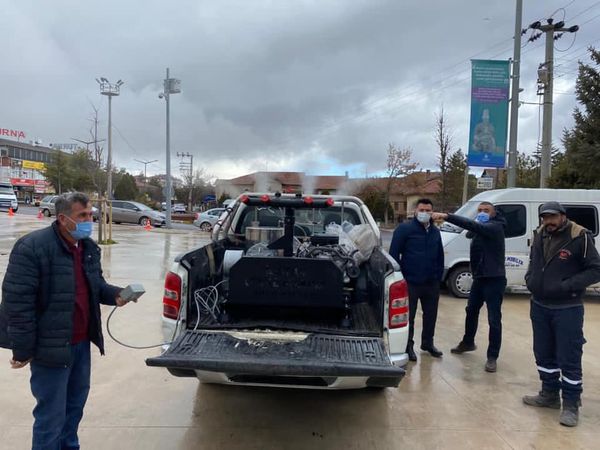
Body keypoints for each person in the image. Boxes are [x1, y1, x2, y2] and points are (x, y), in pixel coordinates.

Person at [0, 192, 132, 450]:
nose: (88, 220)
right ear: (62, 218)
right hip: (50, 349)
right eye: (82, 215)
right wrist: (22, 349)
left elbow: (96, 285)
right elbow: (18, 304)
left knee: (74, 410)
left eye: (90, 215)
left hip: (81, 344)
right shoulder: (32, 248)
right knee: (51, 417)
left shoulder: (87, 248)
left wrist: (116, 295)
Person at [522, 201, 600, 427]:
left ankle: (571, 405)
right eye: (545, 217)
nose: (549, 221)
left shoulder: (579, 237)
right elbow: (534, 261)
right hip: (539, 304)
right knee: (543, 352)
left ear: (563, 216)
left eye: (553, 217)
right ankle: (549, 394)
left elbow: (596, 269)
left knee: (569, 356)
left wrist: (567, 285)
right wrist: (530, 279)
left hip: (567, 307)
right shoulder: (540, 234)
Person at [432, 202, 506, 373]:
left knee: (494, 319)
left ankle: (492, 357)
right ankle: (468, 342)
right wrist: (477, 225)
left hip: (494, 279)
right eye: (479, 210)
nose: (482, 213)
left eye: (486, 210)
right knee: (471, 311)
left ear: (494, 213)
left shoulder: (496, 227)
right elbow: (470, 233)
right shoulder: (481, 228)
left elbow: (471, 226)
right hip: (479, 277)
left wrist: (447, 216)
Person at [389, 198, 444, 361]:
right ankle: (408, 346)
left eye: (428, 211)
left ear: (432, 212)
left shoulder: (435, 232)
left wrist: (438, 277)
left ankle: (428, 343)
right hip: (410, 282)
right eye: (422, 210)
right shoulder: (404, 229)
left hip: (431, 282)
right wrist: (400, 277)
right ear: (415, 211)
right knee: (409, 317)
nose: (424, 213)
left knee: (431, 316)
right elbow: (393, 254)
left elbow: (440, 255)